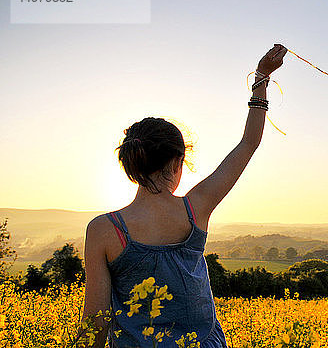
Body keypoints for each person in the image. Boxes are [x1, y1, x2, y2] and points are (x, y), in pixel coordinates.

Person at [80, 44, 287, 347]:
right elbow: (248, 144)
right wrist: (261, 77)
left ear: (132, 163)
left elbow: (96, 322)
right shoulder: (195, 209)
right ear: (178, 162)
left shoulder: (103, 230)